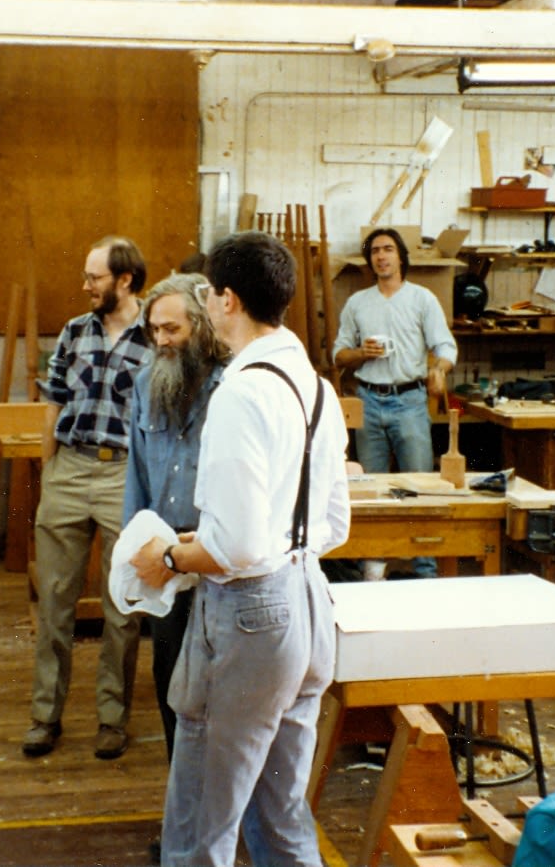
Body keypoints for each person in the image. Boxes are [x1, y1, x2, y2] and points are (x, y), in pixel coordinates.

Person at [132, 231, 351, 867]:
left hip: (249, 618)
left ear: (226, 300)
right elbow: (333, 524)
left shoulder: (241, 390)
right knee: (281, 818)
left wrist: (170, 558)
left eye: (208, 292)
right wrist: (236, 541)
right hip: (307, 603)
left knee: (202, 824)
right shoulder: (315, 386)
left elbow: (239, 546)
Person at [23, 235, 151, 761]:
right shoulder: (76, 331)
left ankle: (112, 719)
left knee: (122, 606)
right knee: (54, 603)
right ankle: (44, 717)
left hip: (124, 475)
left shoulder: (157, 335)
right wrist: (50, 468)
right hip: (70, 469)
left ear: (125, 280)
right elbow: (53, 400)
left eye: (94, 277)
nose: (85, 286)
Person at [123, 273, 228, 761]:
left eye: (172, 329)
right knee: (170, 681)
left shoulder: (233, 384)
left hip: (220, 554)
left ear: (201, 326)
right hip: (166, 555)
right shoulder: (146, 382)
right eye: (154, 330)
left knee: (220, 687)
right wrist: (134, 549)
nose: (161, 340)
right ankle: (182, 791)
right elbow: (137, 473)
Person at [333, 227, 457, 580]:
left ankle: (425, 571)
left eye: (388, 249)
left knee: (420, 486)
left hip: (410, 401)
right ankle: (373, 571)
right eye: (375, 251)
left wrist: (439, 369)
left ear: (401, 257)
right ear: (369, 260)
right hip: (369, 401)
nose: (381, 256)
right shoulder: (358, 303)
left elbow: (445, 347)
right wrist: (361, 353)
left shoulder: (422, 299)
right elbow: (338, 355)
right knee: (369, 490)